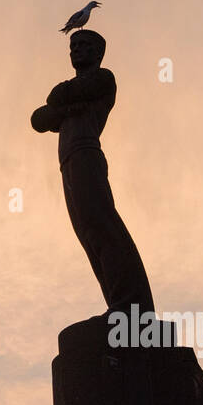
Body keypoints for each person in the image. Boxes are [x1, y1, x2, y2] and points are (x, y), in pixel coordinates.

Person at [31, 30, 155, 315]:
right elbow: (39, 119)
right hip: (68, 162)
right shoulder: (78, 89)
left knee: (103, 226)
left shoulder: (104, 78)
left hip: (86, 153)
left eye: (84, 45)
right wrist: (66, 109)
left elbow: (56, 97)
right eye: (73, 46)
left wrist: (62, 108)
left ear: (98, 53)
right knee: (89, 236)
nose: (76, 50)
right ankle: (119, 303)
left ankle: (134, 305)